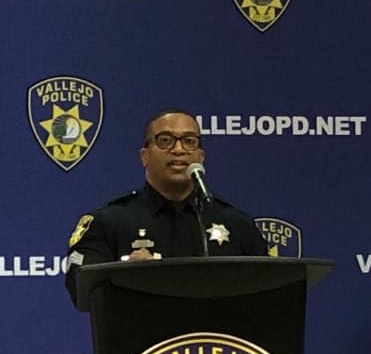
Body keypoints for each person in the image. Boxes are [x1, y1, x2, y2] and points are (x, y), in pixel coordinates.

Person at [64, 110, 267, 307]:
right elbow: (80, 289)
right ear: (145, 156)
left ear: (201, 156)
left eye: (189, 141)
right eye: (165, 140)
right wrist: (123, 275)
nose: (178, 150)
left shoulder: (237, 224)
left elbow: (267, 294)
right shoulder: (108, 222)